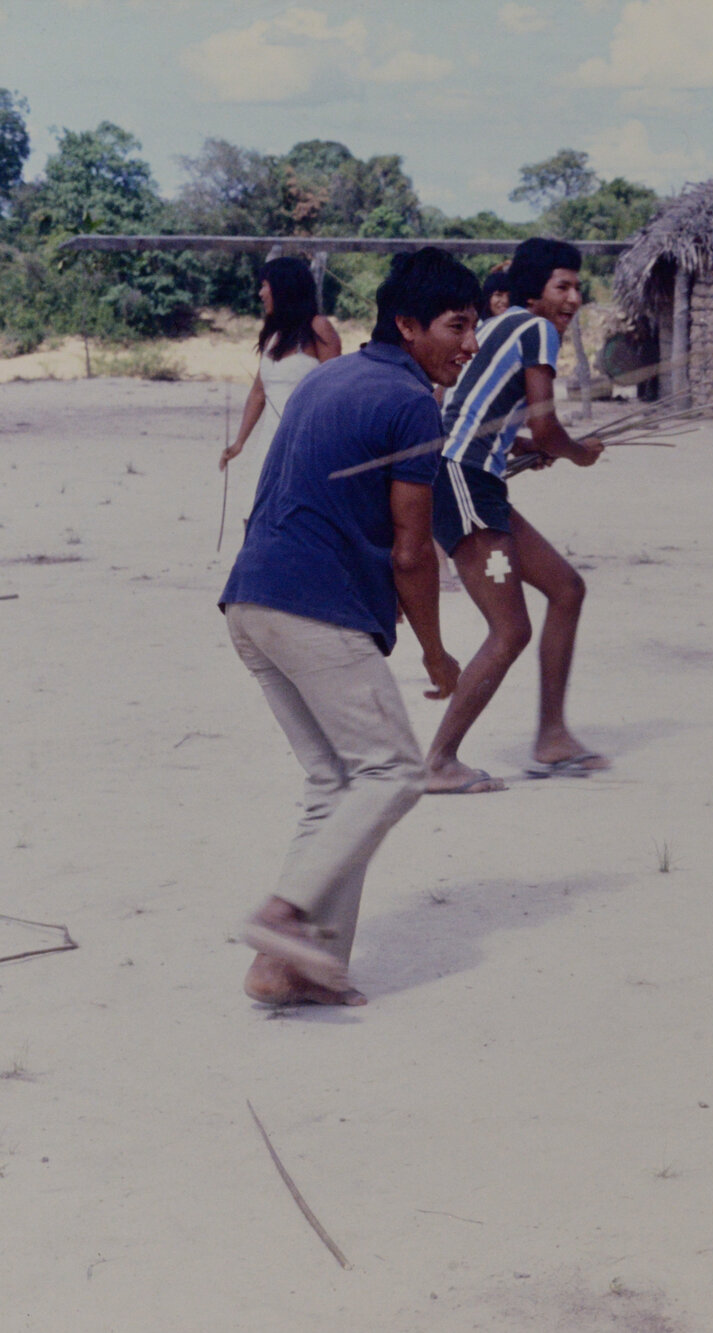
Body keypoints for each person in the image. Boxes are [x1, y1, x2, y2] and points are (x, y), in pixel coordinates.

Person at [220, 247, 480, 1007]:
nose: (469, 343)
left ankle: (286, 969)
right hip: (312, 607)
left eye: (474, 326)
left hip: (250, 602)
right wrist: (435, 654)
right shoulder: (412, 405)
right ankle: (282, 915)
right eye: (456, 327)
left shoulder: (330, 376)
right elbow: (411, 551)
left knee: (337, 782)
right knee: (395, 772)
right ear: (407, 325)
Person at [424, 237, 606, 794]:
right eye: (562, 286)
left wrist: (523, 445)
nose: (574, 297)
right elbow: (549, 426)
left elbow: (475, 410)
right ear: (535, 290)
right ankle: (438, 761)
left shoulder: (502, 323)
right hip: (465, 486)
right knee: (510, 630)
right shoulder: (538, 330)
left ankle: (551, 737)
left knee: (566, 589)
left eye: (578, 286)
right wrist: (576, 453)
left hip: (476, 482)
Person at [218, 256, 342, 477]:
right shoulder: (273, 336)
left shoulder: (319, 327)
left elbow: (336, 393)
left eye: (265, 286)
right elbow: (258, 393)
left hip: (308, 443)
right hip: (270, 442)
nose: (261, 294)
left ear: (284, 289)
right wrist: (239, 442)